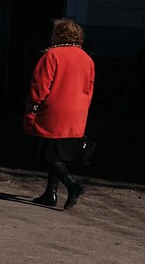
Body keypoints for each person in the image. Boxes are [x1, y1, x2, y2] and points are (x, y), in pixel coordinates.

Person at [25, 18, 95, 209]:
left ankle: (73, 184)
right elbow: (89, 87)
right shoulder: (86, 58)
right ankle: (50, 193)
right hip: (78, 111)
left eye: (54, 32)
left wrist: (32, 107)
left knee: (48, 153)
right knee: (59, 151)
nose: (51, 35)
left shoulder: (52, 55)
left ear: (60, 34)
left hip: (55, 109)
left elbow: (40, 86)